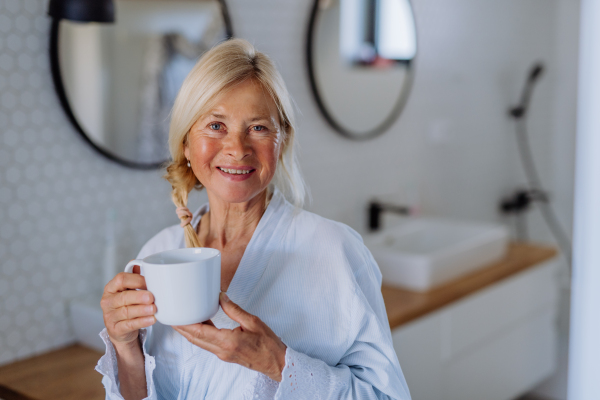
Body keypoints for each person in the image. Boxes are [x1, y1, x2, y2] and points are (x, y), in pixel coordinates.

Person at [96, 38, 411, 400]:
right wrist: (126, 348)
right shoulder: (158, 254)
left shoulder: (335, 252)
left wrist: (278, 363)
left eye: (259, 128)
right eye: (215, 126)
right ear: (186, 142)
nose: (237, 148)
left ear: (283, 141)